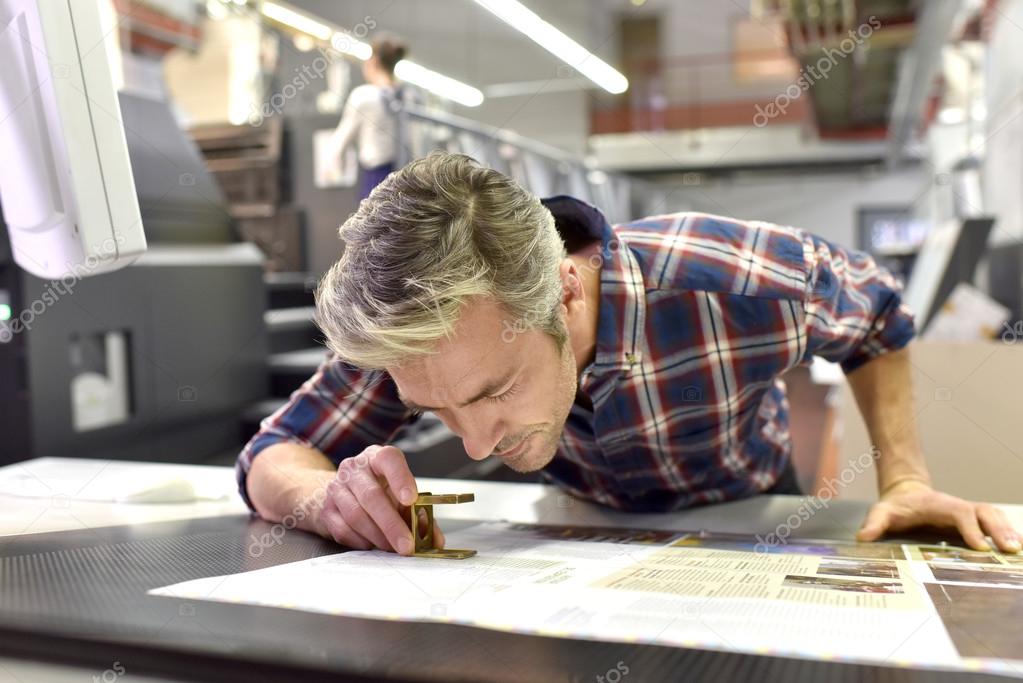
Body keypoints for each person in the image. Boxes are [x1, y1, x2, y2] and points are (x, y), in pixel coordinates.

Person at [238, 151, 1022, 558]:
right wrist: (318, 499)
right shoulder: (424, 335)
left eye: (493, 392)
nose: (475, 445)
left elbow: (877, 314)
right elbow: (272, 451)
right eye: (433, 410)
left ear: (565, 293)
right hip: (583, 515)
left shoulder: (732, 279)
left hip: (749, 497)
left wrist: (906, 476)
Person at [328, 35, 407, 199]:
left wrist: (334, 165)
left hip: (377, 177)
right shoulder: (408, 96)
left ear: (373, 62)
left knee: (372, 222)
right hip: (407, 177)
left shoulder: (364, 96)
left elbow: (341, 138)